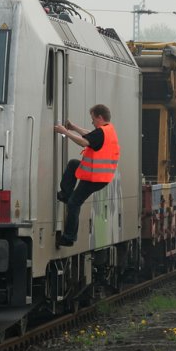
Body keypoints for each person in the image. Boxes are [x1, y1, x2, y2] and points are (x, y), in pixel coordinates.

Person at [53, 104, 120, 248]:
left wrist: (65, 132)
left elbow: (84, 142)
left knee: (74, 203)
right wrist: (73, 127)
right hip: (98, 175)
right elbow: (89, 134)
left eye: (93, 119)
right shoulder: (107, 130)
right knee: (73, 164)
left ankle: (69, 237)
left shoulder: (101, 132)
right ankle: (65, 194)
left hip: (95, 177)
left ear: (100, 117)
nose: (92, 122)